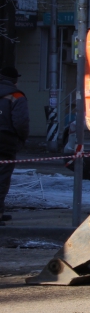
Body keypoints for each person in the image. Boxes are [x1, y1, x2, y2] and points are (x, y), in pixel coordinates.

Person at [0, 67, 29, 226]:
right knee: (2, 179)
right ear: (14, 80)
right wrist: (21, 139)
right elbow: (21, 122)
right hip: (5, 142)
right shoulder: (16, 96)